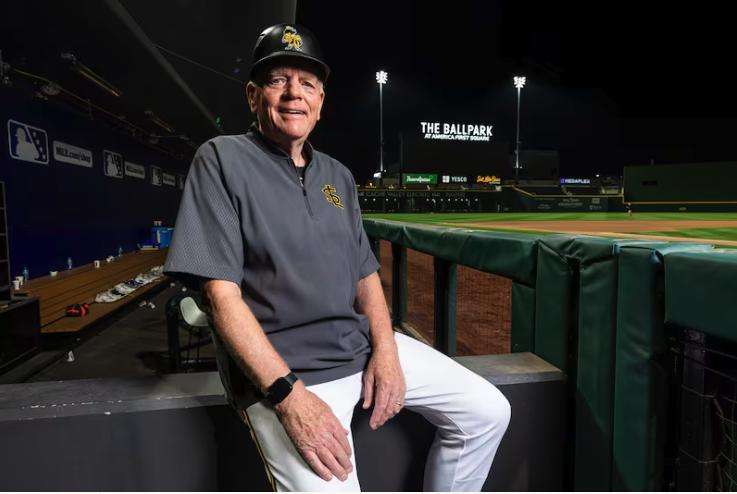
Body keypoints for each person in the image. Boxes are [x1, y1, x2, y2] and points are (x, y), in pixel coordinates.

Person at [164, 23, 511, 492]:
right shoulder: (221, 159)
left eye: (307, 83)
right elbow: (221, 298)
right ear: (252, 95)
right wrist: (288, 397)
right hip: (288, 373)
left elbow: (365, 275)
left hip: (358, 348)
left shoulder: (338, 176)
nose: (293, 94)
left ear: (322, 100)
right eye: (277, 80)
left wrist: (386, 352)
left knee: (488, 412)